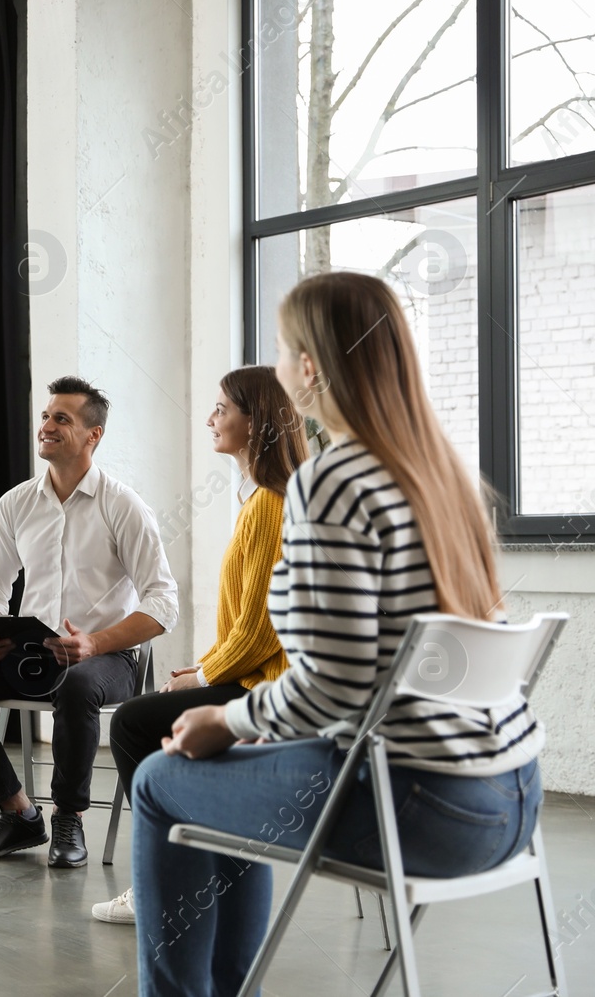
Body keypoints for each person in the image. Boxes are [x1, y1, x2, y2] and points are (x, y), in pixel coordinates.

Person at [131, 273, 545, 997]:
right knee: (230, 772)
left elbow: (336, 681)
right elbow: (373, 672)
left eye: (287, 351)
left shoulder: (332, 479)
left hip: (416, 806)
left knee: (161, 779)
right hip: (512, 799)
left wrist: (225, 716)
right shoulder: (446, 474)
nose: (282, 367)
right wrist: (255, 725)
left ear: (312, 366)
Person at [0, 377, 179, 867]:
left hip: (109, 658)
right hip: (31, 652)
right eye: (46, 416)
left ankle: (69, 818)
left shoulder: (123, 506)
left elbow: (163, 604)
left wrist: (95, 643)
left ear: (93, 435)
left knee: (76, 683)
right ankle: (18, 814)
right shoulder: (15, 503)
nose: (48, 426)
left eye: (63, 418)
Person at [91, 365, 304, 924]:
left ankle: (168, 883)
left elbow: (261, 630)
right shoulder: (263, 499)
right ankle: (191, 865)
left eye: (222, 410)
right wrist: (205, 667)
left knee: (133, 722)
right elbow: (250, 626)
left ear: (256, 424)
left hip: (267, 689)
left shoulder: (270, 505)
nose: (210, 418)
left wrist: (206, 677)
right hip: (254, 675)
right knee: (157, 708)